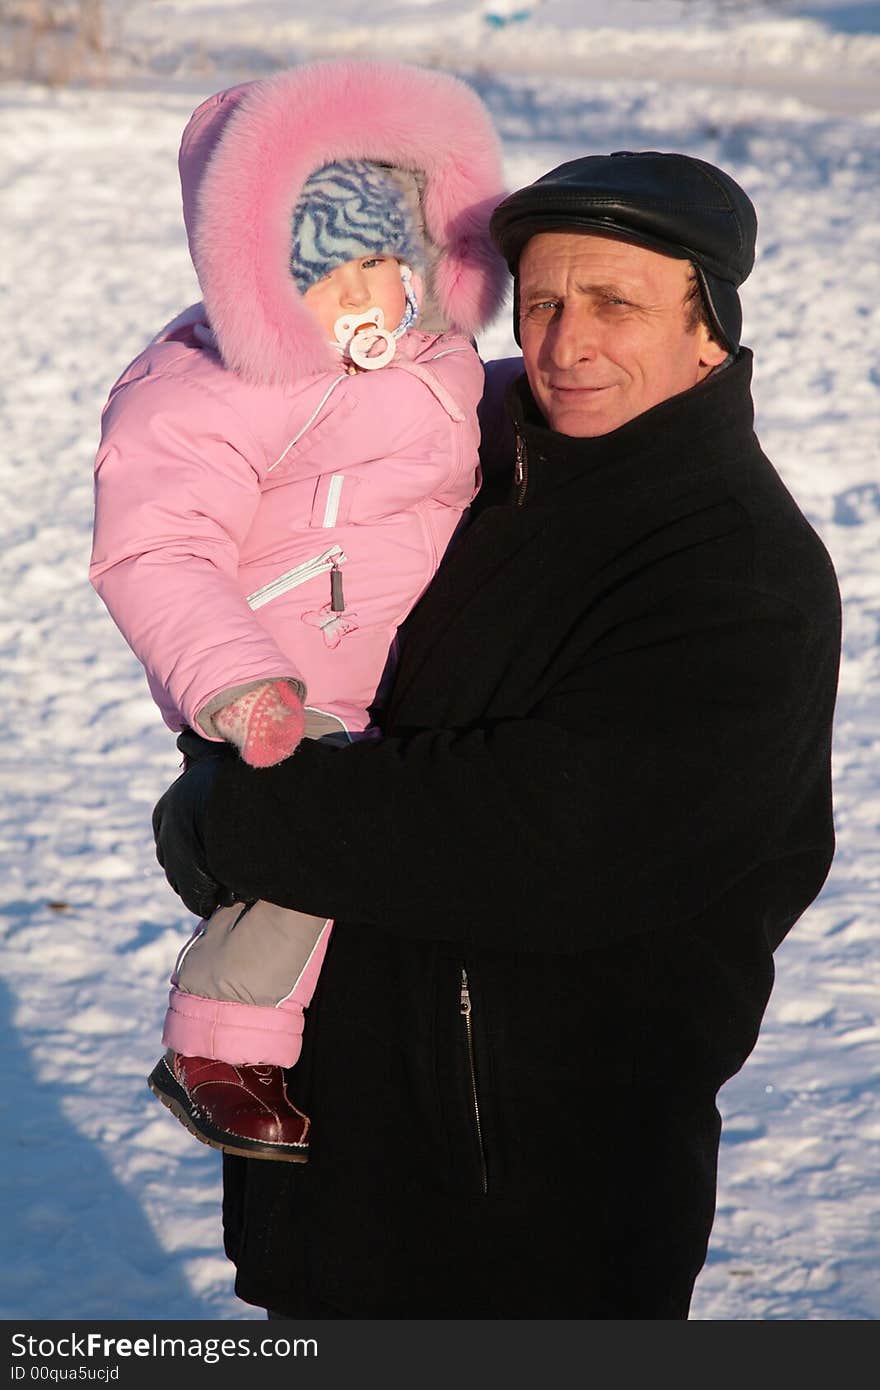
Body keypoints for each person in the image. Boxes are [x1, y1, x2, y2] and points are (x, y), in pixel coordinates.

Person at [152, 150, 842, 1319]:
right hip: (351, 1173)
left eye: (617, 305)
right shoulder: (463, 471)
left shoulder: (736, 571)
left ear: (709, 332)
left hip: (537, 1211)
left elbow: (544, 841)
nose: (567, 343)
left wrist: (244, 814)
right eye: (542, 302)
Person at [88, 60, 507, 1161]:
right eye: (331, 275)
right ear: (266, 288)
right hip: (277, 684)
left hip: (407, 677)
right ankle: (219, 1043)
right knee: (317, 838)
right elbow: (157, 548)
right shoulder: (204, 388)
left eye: (384, 263)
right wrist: (236, 682)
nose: (368, 296)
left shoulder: (439, 364)